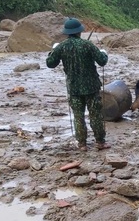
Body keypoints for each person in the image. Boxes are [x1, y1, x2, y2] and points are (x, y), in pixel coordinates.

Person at [46, 17, 110, 151]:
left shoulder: (62, 47)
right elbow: (102, 61)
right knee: (95, 115)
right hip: (92, 87)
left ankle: (82, 144)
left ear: (67, 32)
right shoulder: (88, 45)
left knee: (78, 116)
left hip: (74, 88)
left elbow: (50, 63)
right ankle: (100, 142)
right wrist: (104, 53)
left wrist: (53, 51)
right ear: (80, 32)